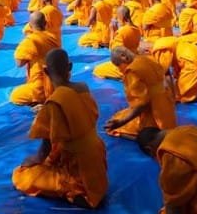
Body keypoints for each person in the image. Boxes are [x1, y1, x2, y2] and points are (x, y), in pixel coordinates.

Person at [12, 48, 108, 209]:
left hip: (78, 165)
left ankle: (78, 193)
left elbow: (44, 149)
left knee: (21, 175)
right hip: (96, 153)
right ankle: (86, 188)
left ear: (45, 71)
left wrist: (32, 161)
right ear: (70, 67)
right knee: (53, 160)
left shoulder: (55, 103)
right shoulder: (83, 88)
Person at [105, 46, 177, 140]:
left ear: (123, 57)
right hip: (168, 107)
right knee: (121, 115)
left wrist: (122, 122)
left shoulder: (132, 71)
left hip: (154, 112)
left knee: (118, 127)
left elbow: (141, 104)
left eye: (118, 65)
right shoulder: (149, 58)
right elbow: (167, 76)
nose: (119, 69)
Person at [150, 37, 197, 108]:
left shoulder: (160, 50)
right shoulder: (169, 42)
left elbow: (164, 70)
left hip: (193, 66)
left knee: (181, 95)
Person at [10, 12, 60, 106]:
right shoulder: (54, 37)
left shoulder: (30, 41)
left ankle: (38, 102)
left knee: (14, 96)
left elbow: (19, 63)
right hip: (56, 83)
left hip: (40, 87)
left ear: (29, 25)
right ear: (45, 24)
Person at [93, 6, 142, 80]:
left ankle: (124, 76)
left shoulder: (122, 32)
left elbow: (115, 51)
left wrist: (112, 31)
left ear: (121, 17)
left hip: (125, 64)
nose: (117, 19)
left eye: (117, 17)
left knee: (97, 70)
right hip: (136, 58)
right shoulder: (136, 29)